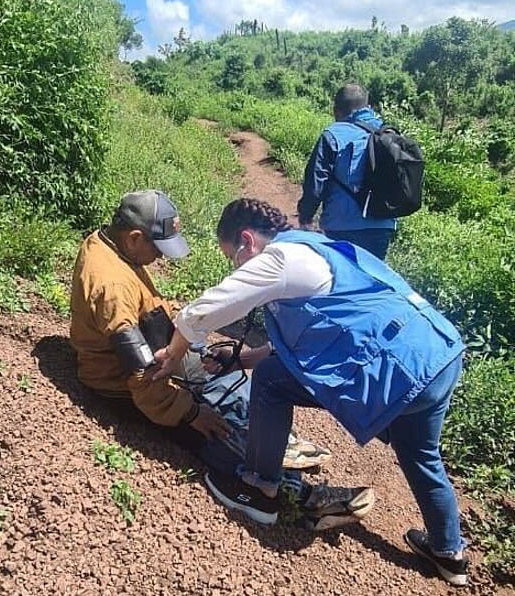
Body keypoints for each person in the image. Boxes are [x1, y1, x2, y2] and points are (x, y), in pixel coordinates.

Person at [154, 198, 468, 587]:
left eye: (231, 258)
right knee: (421, 454)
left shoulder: (278, 259)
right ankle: (448, 553)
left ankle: (259, 491)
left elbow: (202, 311)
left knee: (269, 381)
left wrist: (173, 354)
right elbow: (314, 342)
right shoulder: (318, 248)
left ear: (246, 241)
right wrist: (240, 360)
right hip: (437, 356)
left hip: (398, 370)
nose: (235, 267)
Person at [70, 190, 372, 528]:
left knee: (223, 373)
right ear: (136, 237)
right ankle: (302, 497)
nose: (160, 258)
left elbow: (148, 306)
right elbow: (142, 377)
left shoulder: (115, 247)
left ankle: (271, 441)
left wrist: (189, 344)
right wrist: (191, 412)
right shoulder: (111, 285)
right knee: (215, 435)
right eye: (158, 249)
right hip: (122, 385)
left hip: (156, 351)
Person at [297, 84, 396, 260]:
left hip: (341, 226)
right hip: (382, 227)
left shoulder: (333, 135)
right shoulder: (389, 134)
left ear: (336, 111)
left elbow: (316, 183)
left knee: (342, 280)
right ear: (369, 108)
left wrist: (305, 217)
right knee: (372, 280)